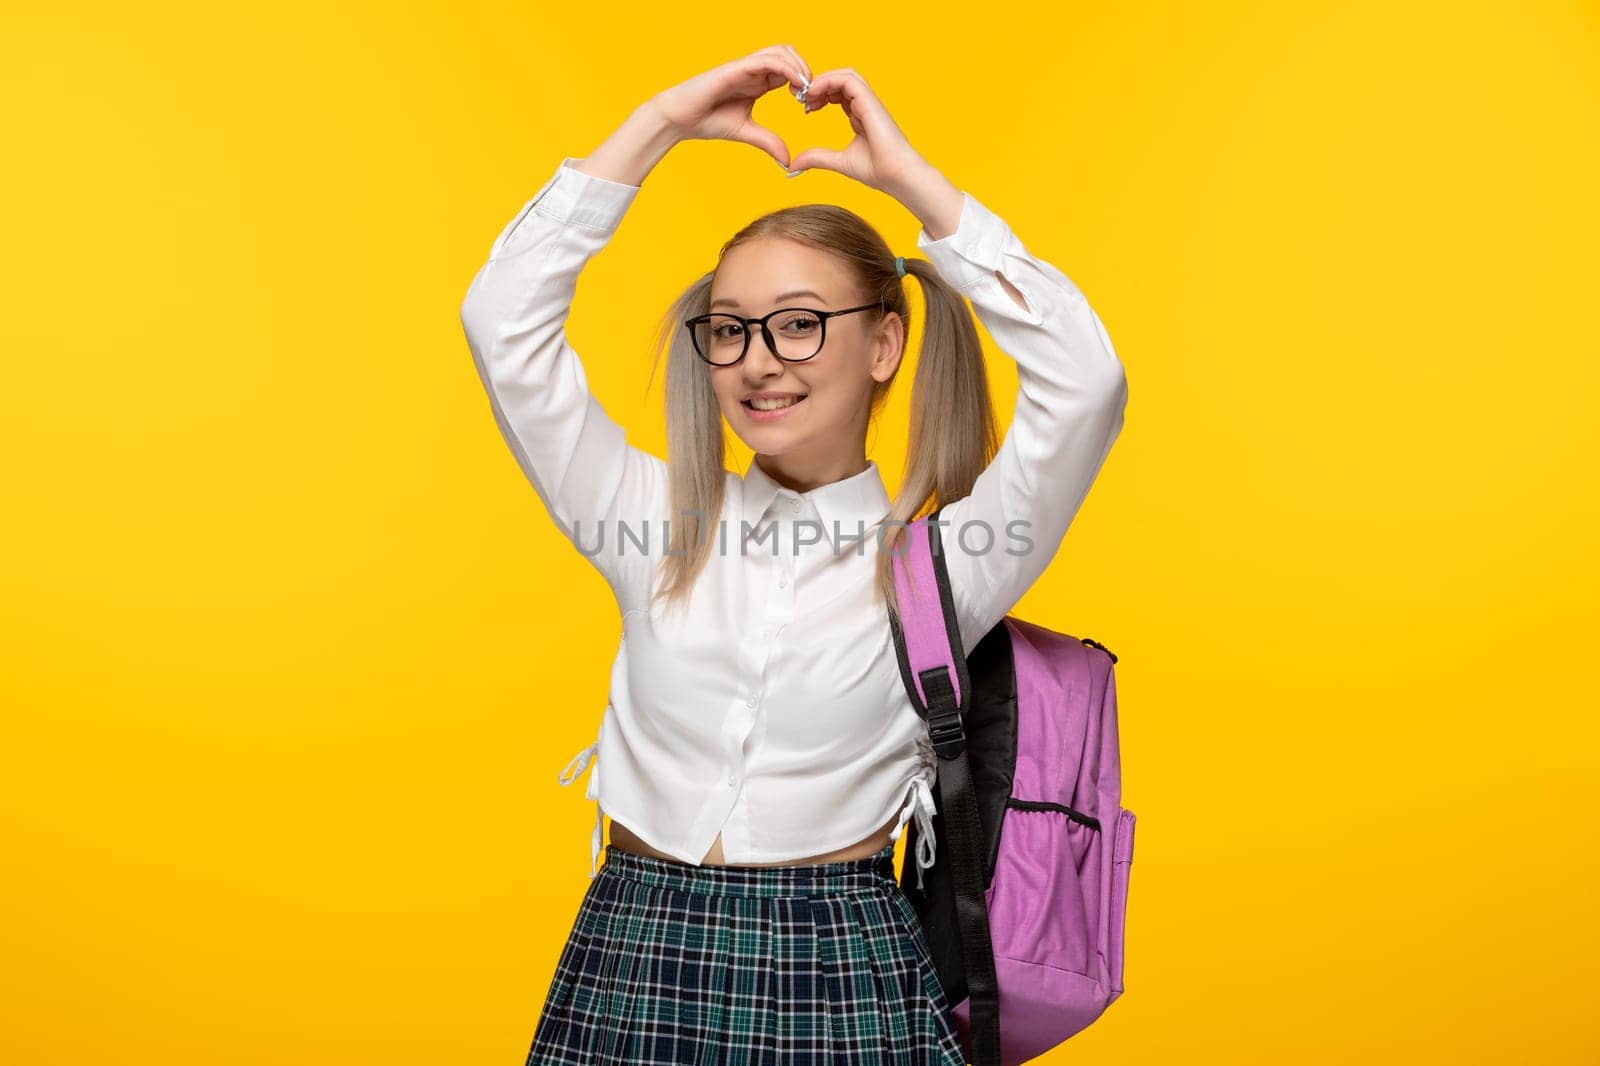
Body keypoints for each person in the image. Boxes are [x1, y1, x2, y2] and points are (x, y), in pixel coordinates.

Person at [459, 44, 1129, 1066]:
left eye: (799, 325)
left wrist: (913, 184)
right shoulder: (649, 519)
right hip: (632, 949)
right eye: (728, 330)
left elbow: (1085, 383)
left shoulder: (946, 569)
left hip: (839, 965)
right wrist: (658, 125)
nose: (756, 361)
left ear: (885, 346)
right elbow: (500, 318)